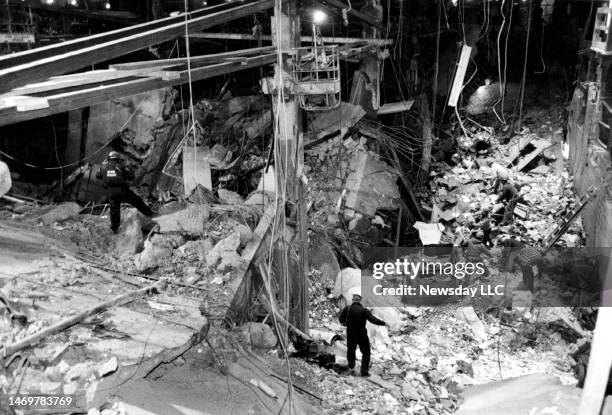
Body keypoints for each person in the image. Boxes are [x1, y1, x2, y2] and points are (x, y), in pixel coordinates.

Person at [96, 151, 152, 233]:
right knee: (137, 201)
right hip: (122, 191)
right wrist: (128, 166)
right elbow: (131, 177)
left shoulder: (103, 166)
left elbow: (98, 176)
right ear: (118, 158)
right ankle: (150, 214)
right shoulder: (121, 166)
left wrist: (103, 167)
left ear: (109, 158)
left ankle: (115, 228)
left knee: (114, 209)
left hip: (111, 192)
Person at [339, 294, 387, 377]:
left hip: (350, 333)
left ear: (353, 300)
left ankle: (351, 368)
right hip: (361, 335)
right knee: (366, 352)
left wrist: (346, 324)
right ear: (360, 301)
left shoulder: (347, 308)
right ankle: (364, 372)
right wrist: (383, 323)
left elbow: (341, 319)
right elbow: (373, 320)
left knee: (351, 350)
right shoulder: (364, 311)